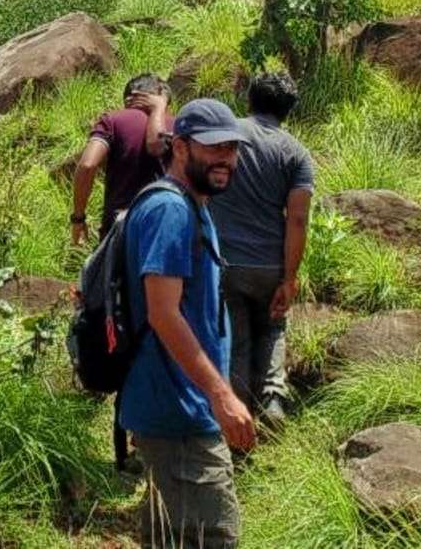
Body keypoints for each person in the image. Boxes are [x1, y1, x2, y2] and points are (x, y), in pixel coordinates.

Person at [122, 98, 256, 549]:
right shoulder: (170, 211)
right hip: (178, 412)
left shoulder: (191, 205)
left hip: (180, 405)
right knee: (215, 537)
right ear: (180, 147)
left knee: (170, 536)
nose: (226, 159)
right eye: (214, 148)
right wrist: (220, 394)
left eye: (232, 148)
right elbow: (163, 313)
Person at [205, 73, 314, 428]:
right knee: (273, 327)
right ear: (287, 112)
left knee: (234, 337)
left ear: (249, 100)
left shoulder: (225, 138)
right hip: (269, 262)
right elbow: (297, 219)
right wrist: (290, 277)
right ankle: (272, 399)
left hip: (224, 260)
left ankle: (236, 417)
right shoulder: (296, 152)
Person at [71, 74, 172, 244]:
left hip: (121, 229)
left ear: (128, 99)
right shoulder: (179, 126)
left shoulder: (113, 120)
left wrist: (78, 218)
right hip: (168, 224)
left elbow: (88, 165)